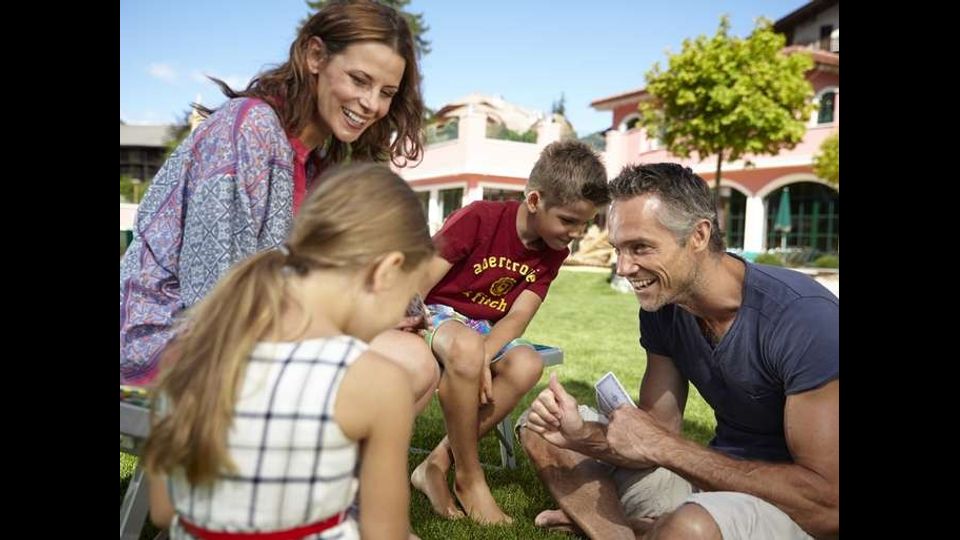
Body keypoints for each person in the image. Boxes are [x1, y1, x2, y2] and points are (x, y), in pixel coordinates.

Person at [120, 1, 436, 410]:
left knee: (415, 361)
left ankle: (326, 473)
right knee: (398, 367)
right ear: (314, 56)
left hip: (260, 332)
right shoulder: (247, 128)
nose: (372, 104)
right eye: (360, 80)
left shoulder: (321, 163)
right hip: (173, 337)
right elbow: (215, 290)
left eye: (387, 93)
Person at [521, 163, 839, 539]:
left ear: (699, 235)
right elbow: (653, 436)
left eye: (640, 247)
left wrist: (666, 448)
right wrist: (580, 436)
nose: (623, 267)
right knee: (542, 426)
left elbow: (827, 506)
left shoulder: (803, 318)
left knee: (690, 528)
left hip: (790, 508)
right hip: (707, 482)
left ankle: (648, 528)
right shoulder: (665, 307)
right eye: (618, 249)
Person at [142, 163, 434, 540]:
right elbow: (385, 534)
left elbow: (164, 512)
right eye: (405, 297)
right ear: (387, 271)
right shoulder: (376, 381)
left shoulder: (185, 356)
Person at [387, 140, 609, 525]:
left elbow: (517, 318)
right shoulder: (480, 218)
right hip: (434, 315)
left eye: (584, 223)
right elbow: (419, 283)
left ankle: (436, 464)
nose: (575, 233)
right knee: (469, 346)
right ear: (536, 200)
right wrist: (404, 324)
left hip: (482, 330)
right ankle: (470, 479)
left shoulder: (553, 251)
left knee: (526, 364)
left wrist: (485, 354)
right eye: (568, 220)